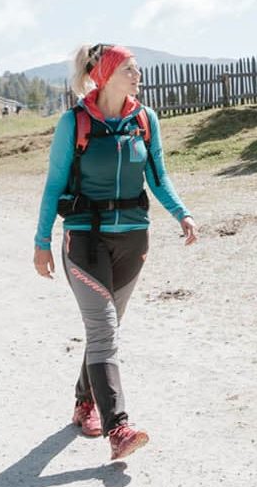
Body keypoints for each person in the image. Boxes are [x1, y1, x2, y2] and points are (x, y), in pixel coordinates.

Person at [34, 43, 197, 461]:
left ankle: (85, 402)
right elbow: (54, 185)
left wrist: (182, 214)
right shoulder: (75, 122)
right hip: (83, 238)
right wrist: (40, 243)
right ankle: (118, 428)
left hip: (133, 239)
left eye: (137, 68)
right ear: (105, 75)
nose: (137, 75)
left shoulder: (145, 120)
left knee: (104, 329)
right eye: (129, 68)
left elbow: (159, 177)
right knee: (104, 329)